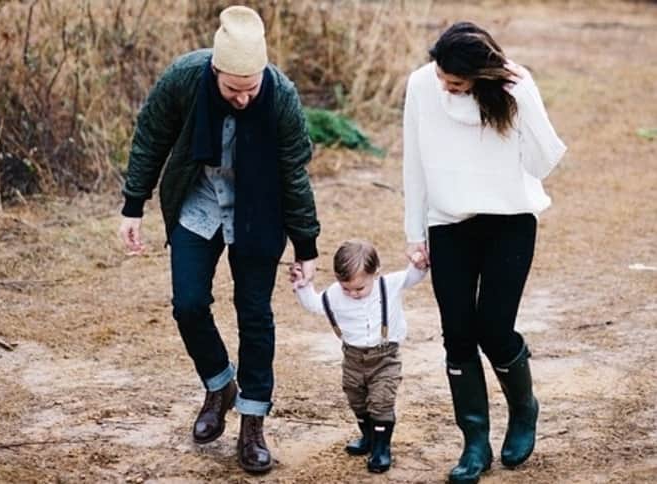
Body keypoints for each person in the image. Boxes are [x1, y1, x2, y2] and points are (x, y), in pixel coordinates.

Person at [117, 5, 320, 474]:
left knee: (254, 314)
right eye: (233, 89)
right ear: (215, 71)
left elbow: (294, 174)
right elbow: (151, 137)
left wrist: (305, 245)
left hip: (258, 208)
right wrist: (133, 204)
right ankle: (219, 385)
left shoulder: (281, 97)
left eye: (251, 88)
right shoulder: (185, 78)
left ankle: (252, 422)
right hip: (200, 200)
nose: (243, 98)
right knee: (188, 303)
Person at [402, 21, 567, 484]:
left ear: (481, 76)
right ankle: (475, 442)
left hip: (509, 222)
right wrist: (415, 233)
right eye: (441, 76)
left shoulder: (514, 89)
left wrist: (524, 94)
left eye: (455, 82)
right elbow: (413, 161)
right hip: (447, 223)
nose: (445, 86)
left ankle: (524, 409)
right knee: (457, 334)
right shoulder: (421, 85)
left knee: (494, 330)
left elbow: (542, 163)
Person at [290, 239, 427, 473]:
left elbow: (413, 276)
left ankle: (382, 448)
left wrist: (419, 263)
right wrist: (302, 285)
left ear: (376, 273)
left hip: (385, 357)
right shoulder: (335, 294)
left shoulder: (389, 285)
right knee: (356, 399)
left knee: (381, 401)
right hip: (352, 358)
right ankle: (368, 437)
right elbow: (314, 304)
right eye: (347, 288)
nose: (353, 294)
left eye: (360, 288)